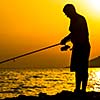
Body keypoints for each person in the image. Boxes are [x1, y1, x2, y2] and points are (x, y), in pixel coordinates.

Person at [60, 4, 91, 93]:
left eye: (66, 13)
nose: (66, 15)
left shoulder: (79, 19)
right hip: (78, 46)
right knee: (78, 69)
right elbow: (74, 34)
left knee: (83, 68)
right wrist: (66, 41)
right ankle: (78, 88)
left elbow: (79, 34)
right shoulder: (73, 20)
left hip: (83, 47)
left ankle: (83, 90)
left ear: (71, 11)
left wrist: (66, 40)